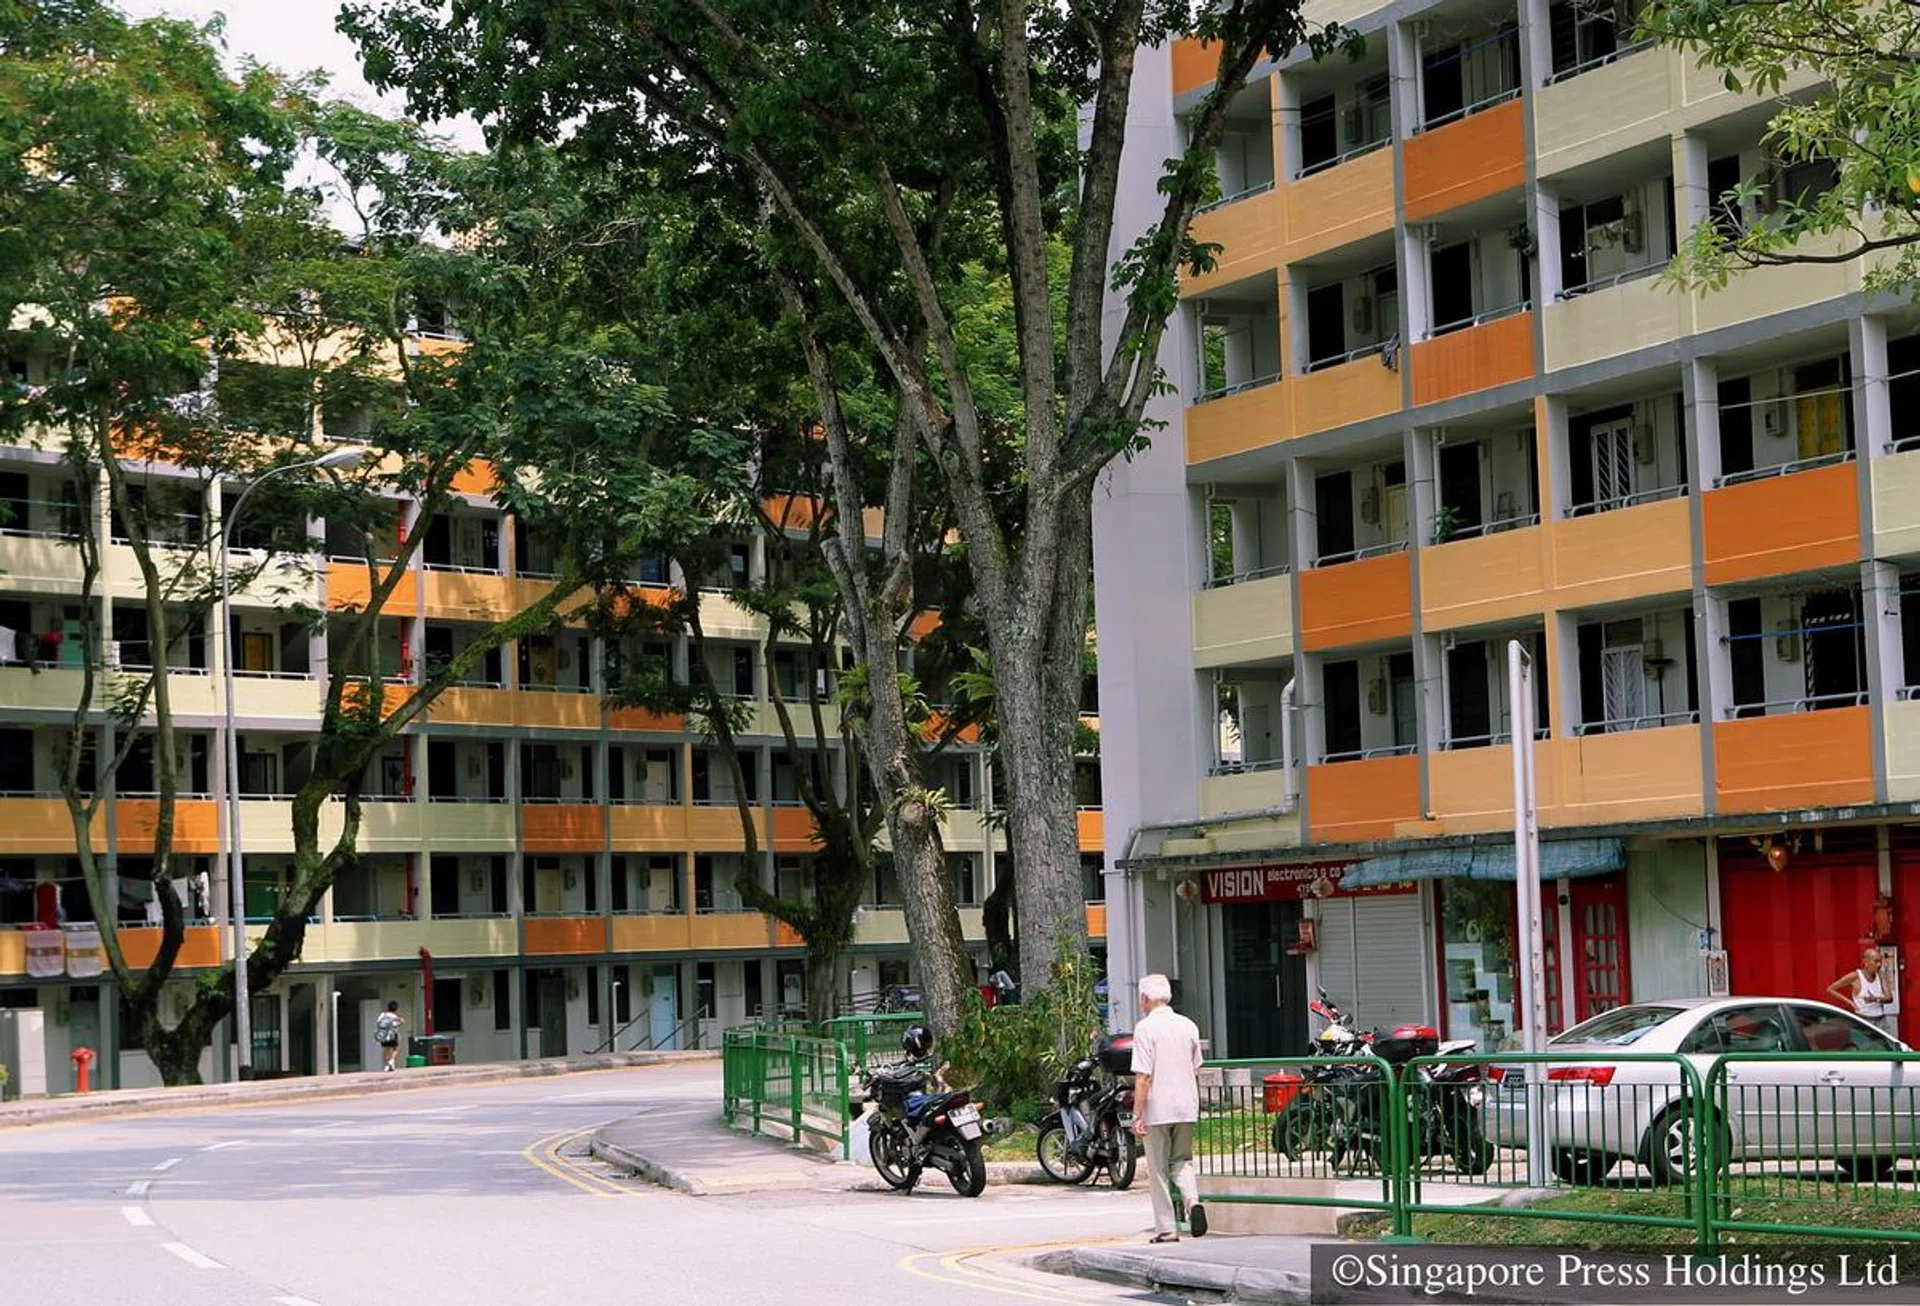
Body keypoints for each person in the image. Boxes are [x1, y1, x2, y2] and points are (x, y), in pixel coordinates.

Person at [1129, 973, 1205, 1243]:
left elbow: (1143, 1077)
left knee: (1158, 1169)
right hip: (1186, 1105)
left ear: (1145, 999)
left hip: (1157, 1108)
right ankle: (1193, 1202)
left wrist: (1137, 1115)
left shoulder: (1145, 1029)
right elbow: (1196, 1069)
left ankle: (1167, 1228)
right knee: (1182, 1161)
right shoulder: (1188, 1025)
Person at [1828, 947, 1897, 1036]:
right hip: (1863, 1021)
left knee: (1887, 1044)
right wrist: (1850, 1002)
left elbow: (1890, 998)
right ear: (1866, 962)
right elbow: (1831, 989)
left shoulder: (1881, 975)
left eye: (1880, 961)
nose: (1879, 965)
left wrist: (1875, 999)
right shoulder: (1855, 976)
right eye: (1876, 961)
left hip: (1881, 1021)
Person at [375, 1001, 405, 1071]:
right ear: (396, 1009)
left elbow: (378, 1022)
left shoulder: (383, 1014)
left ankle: (387, 1065)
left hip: (382, 1034)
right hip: (392, 1035)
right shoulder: (394, 1016)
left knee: (386, 1049)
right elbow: (395, 1024)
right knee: (396, 1048)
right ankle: (391, 1061)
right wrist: (401, 1022)